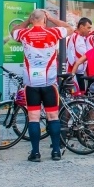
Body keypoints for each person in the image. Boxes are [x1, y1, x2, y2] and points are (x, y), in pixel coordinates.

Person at [11, 9, 74, 162]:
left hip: (31, 84)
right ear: (44, 20)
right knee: (53, 117)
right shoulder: (53, 33)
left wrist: (28, 20)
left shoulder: (24, 34)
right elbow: (70, 28)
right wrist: (52, 18)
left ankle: (36, 152)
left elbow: (14, 31)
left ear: (32, 19)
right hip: (49, 83)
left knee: (33, 118)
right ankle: (56, 151)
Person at [66, 17, 94, 90]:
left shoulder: (82, 37)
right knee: (77, 95)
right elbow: (70, 53)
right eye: (88, 27)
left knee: (82, 93)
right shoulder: (74, 37)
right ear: (81, 27)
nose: (89, 30)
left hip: (80, 71)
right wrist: (73, 70)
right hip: (74, 71)